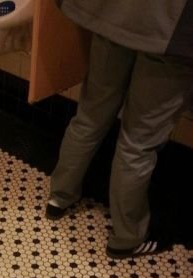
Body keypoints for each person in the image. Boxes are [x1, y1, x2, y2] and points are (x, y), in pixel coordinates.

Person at [46, 0, 193, 259]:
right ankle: (127, 238)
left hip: (113, 17)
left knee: (89, 118)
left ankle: (59, 197)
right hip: (168, 38)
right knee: (137, 143)